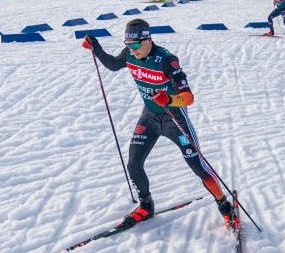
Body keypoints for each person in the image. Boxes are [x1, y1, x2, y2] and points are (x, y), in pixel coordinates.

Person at [83, 20, 234, 228]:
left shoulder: (166, 60)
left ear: (148, 40)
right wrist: (96, 48)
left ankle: (225, 206)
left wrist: (170, 99)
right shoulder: (129, 55)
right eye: (128, 45)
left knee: (197, 166)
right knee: (133, 165)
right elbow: (113, 65)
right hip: (150, 117)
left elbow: (188, 98)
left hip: (174, 118)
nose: (132, 50)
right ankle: (146, 206)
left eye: (136, 45)